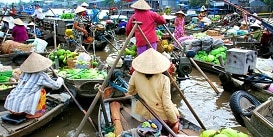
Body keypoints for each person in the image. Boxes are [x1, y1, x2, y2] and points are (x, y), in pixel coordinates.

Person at [127, 48, 180, 134]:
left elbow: (130, 91)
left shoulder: (135, 74)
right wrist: (174, 121)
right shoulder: (164, 79)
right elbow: (167, 105)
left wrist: (140, 93)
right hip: (161, 117)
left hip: (147, 114)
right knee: (177, 118)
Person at [4, 52, 64, 118]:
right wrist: (60, 79)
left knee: (25, 90)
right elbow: (56, 86)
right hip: (20, 111)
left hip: (10, 107)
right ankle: (35, 113)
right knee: (42, 91)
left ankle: (24, 108)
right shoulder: (41, 75)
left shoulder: (24, 73)